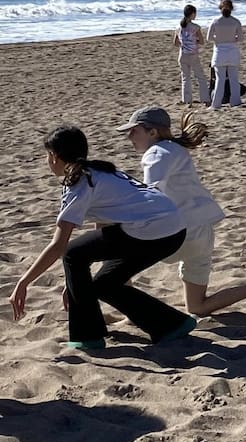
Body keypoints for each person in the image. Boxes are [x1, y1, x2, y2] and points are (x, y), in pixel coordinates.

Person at [9, 125, 195, 349]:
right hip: (174, 228)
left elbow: (59, 245)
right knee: (103, 284)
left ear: (54, 156)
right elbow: (104, 227)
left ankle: (87, 337)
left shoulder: (80, 181)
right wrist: (76, 283)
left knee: (72, 253)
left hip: (153, 230)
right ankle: (172, 325)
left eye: (47, 155)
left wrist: (23, 282)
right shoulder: (101, 171)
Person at [119, 106, 246, 316]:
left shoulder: (156, 152)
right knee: (197, 307)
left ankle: (132, 313)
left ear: (152, 132)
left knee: (116, 254)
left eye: (134, 131)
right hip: (202, 234)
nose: (129, 136)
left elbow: (151, 193)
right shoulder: (176, 148)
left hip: (178, 234)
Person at [207, 0, 244, 110]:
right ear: (231, 9)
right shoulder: (236, 21)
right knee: (234, 79)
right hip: (232, 52)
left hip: (219, 53)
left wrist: (218, 39)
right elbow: (240, 38)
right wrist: (232, 39)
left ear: (220, 9)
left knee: (219, 80)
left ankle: (216, 104)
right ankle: (235, 102)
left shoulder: (215, 21)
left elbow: (209, 37)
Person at [175, 4, 210, 106]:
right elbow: (202, 42)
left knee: (185, 78)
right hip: (193, 55)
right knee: (200, 77)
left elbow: (175, 43)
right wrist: (194, 42)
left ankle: (187, 100)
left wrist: (184, 43)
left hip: (182, 54)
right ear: (192, 14)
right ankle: (205, 98)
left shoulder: (178, 27)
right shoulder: (195, 27)